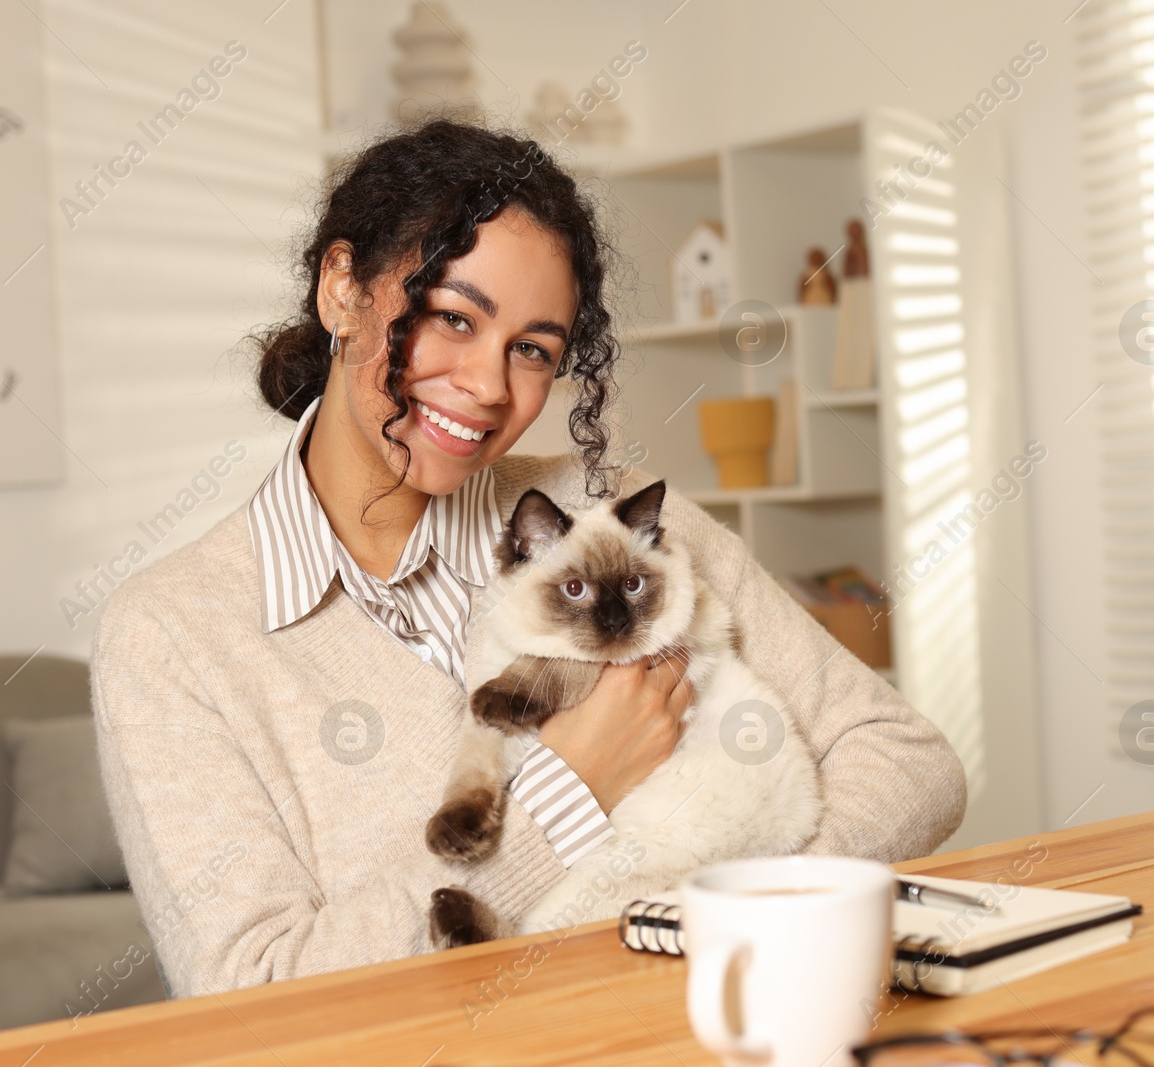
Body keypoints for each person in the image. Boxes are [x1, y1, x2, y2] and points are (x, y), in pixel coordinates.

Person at [90, 118, 966, 1000]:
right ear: (341, 290)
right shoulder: (174, 634)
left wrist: (733, 929)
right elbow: (252, 1000)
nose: (489, 386)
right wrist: (569, 789)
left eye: (534, 349)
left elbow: (905, 759)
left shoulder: (624, 535)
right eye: (452, 317)